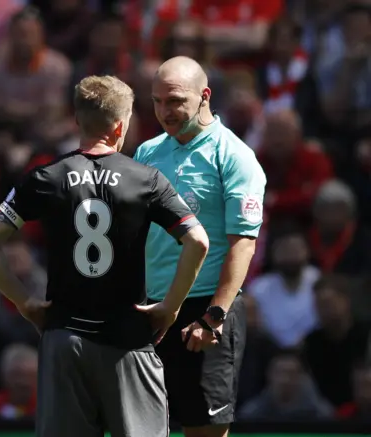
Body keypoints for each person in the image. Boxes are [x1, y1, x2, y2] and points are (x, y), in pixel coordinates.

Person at [0, 75, 210, 437]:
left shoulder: (46, 178)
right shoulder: (147, 180)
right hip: (127, 339)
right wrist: (171, 307)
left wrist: (24, 302)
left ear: (77, 120)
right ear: (120, 126)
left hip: (65, 340)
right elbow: (198, 241)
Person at [134, 56, 267, 437]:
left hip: (204, 309)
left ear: (204, 96)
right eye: (157, 101)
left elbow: (243, 244)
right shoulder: (147, 153)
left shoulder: (235, 157)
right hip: (153, 308)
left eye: (175, 100)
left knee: (204, 432)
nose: (164, 111)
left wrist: (215, 316)